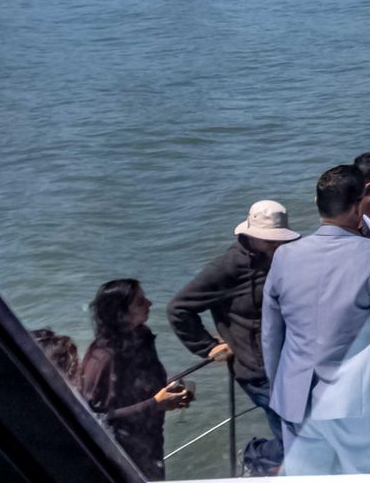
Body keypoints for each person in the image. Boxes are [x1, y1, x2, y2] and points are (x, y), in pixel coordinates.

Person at [262, 163, 370, 475]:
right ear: (359, 207)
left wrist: (280, 390)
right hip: (355, 403)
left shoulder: (284, 256)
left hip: (295, 397)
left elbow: (271, 336)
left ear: (318, 205)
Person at [167, 199, 303, 471]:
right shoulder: (227, 268)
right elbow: (179, 309)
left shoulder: (281, 256)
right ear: (251, 236)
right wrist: (206, 347)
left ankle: (274, 461)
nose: (278, 245)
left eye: (280, 240)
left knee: (307, 434)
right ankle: (256, 456)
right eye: (270, 241)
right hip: (257, 371)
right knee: (300, 439)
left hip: (289, 364)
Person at [79, 279, 194, 479]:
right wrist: (155, 404)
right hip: (120, 455)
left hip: (150, 444)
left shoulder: (142, 337)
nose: (150, 303)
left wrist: (170, 392)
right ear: (121, 313)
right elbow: (93, 419)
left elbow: (137, 387)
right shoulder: (103, 358)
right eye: (140, 302)